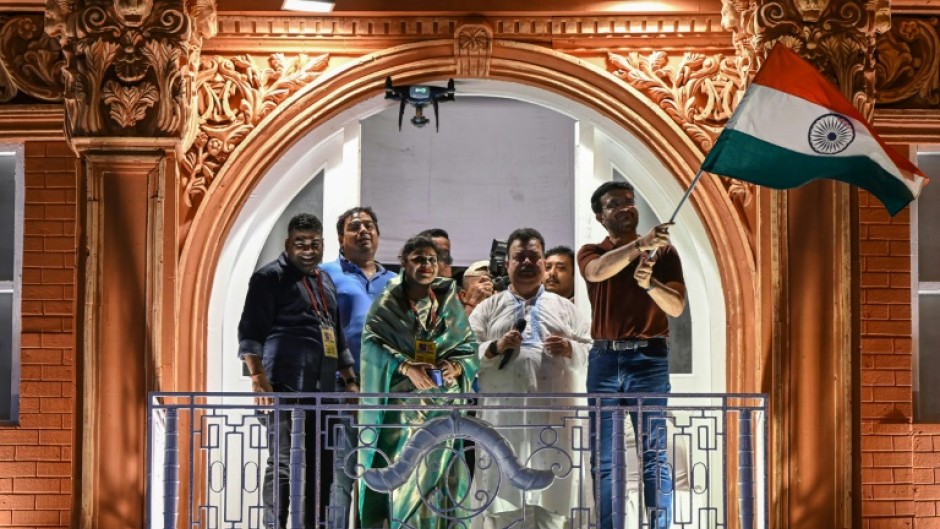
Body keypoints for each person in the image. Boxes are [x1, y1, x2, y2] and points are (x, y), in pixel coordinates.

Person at [237, 213, 359, 529]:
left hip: (323, 388)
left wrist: (350, 379)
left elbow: (337, 331)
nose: (308, 250)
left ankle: (313, 525)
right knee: (283, 463)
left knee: (323, 464)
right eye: (301, 243)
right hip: (281, 385)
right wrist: (258, 380)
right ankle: (274, 525)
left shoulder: (324, 279)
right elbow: (250, 330)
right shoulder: (268, 278)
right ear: (289, 244)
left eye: (315, 244)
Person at [577, 181, 685, 529]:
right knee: (604, 457)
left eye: (629, 201)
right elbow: (597, 272)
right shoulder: (591, 251)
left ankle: (659, 526)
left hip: (649, 360)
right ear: (600, 215)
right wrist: (641, 245)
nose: (625, 207)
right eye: (614, 204)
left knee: (654, 454)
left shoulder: (665, 254)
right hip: (605, 359)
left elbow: (677, 307)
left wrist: (650, 284)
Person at [469, 228, 592, 529]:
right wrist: (495, 347)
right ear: (507, 263)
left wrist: (570, 348)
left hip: (554, 416)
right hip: (503, 417)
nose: (526, 262)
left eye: (534, 257)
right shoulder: (488, 309)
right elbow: (462, 357)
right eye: (518, 257)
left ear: (543, 262)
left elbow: (592, 351)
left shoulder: (566, 308)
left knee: (555, 496)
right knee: (503, 495)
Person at [358, 236, 479, 529]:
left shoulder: (448, 302)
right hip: (402, 413)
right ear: (403, 262)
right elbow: (372, 344)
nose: (426, 265)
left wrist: (456, 366)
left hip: (442, 409)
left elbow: (468, 346)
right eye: (418, 259)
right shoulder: (389, 302)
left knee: (439, 479)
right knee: (406, 479)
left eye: (432, 259)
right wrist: (405, 366)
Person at [320, 206, 396, 525]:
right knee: (340, 476)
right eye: (354, 226)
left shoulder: (395, 280)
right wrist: (349, 380)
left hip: (386, 392)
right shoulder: (325, 274)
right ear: (341, 238)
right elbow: (324, 327)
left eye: (369, 225)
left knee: (380, 476)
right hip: (343, 390)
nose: (363, 230)